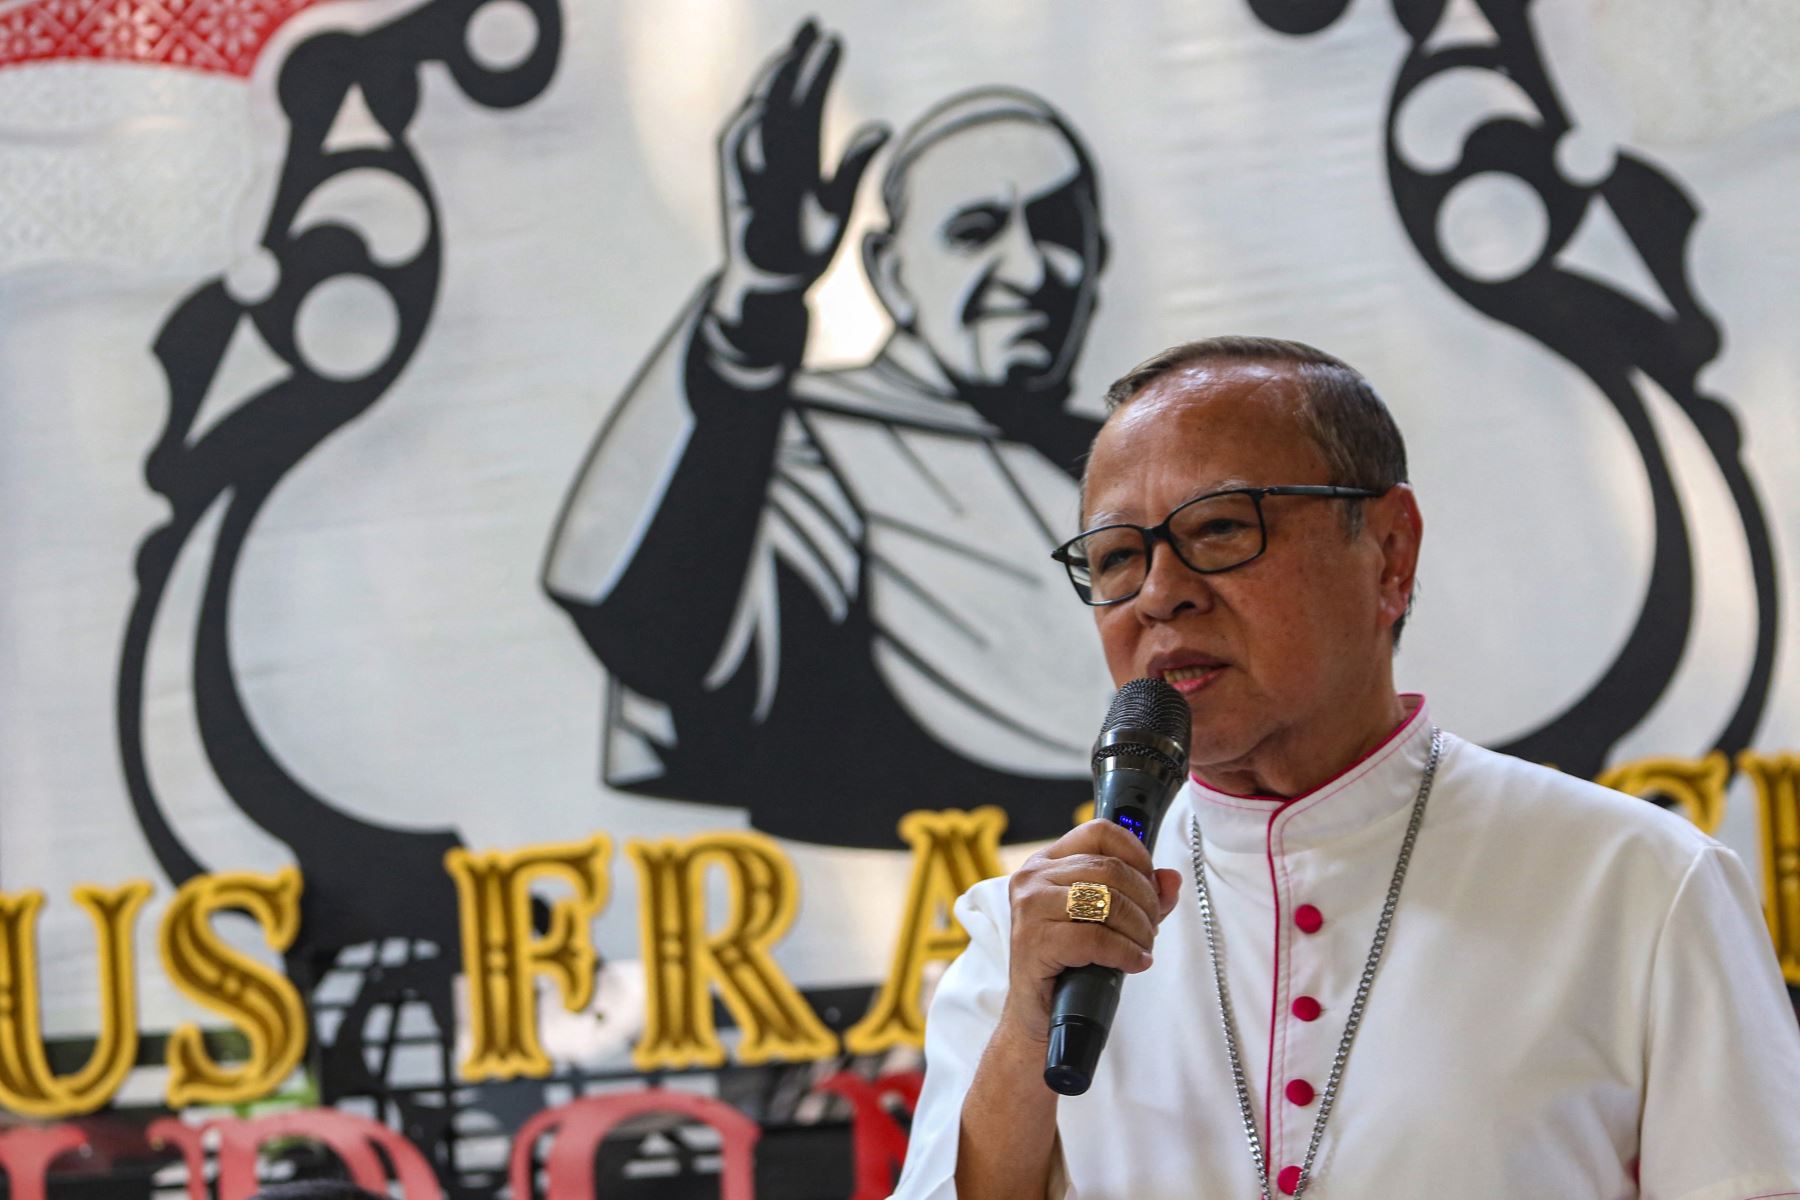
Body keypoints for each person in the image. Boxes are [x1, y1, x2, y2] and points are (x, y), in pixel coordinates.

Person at [892, 337, 1800, 1198]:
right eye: (1118, 556)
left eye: (1218, 529)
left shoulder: (1641, 887)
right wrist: (1024, 1024)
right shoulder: (1029, 938)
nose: (1161, 592)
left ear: (1390, 555)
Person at [543, 22, 1115, 847]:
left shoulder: (1134, 466)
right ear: (890, 271)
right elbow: (643, 624)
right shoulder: (798, 440)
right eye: (976, 231)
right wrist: (761, 300)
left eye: (1059, 229)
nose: (1029, 271)